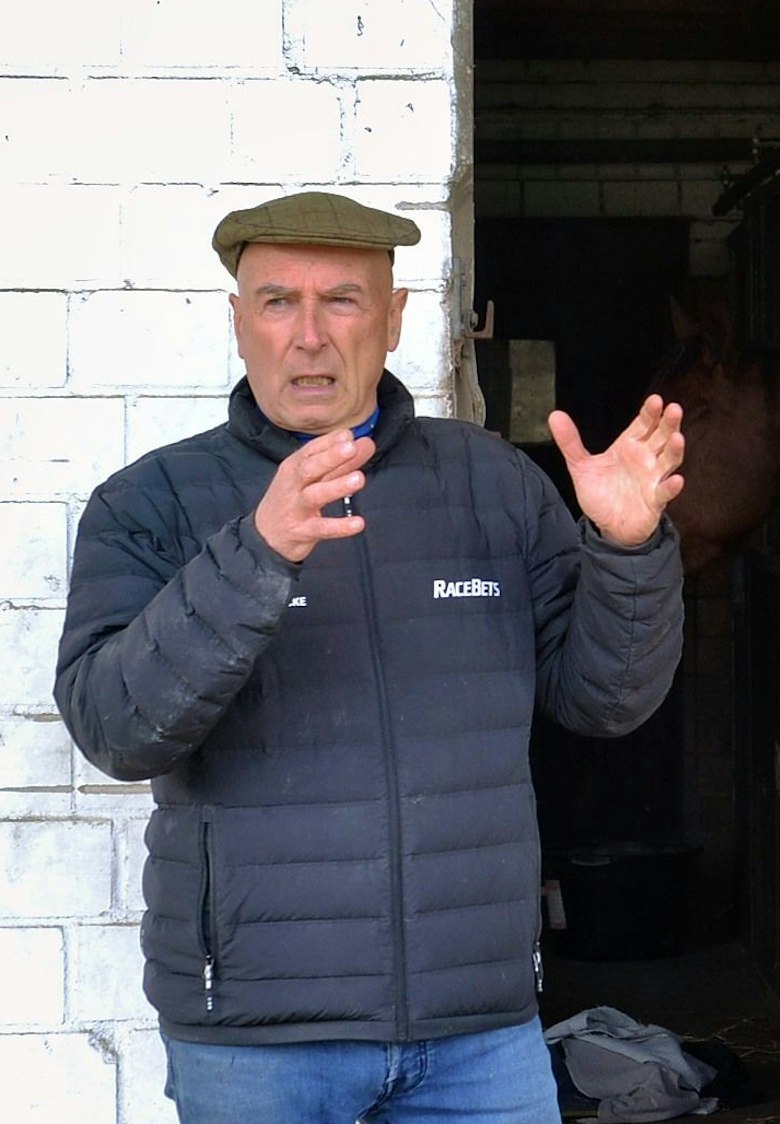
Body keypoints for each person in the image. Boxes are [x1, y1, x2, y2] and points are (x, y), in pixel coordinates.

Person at [53, 191, 687, 1123]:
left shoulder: (492, 486)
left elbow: (608, 701)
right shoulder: (151, 503)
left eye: (342, 300)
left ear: (393, 319)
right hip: (256, 1044)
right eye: (277, 302)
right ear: (238, 322)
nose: (308, 336)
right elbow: (116, 729)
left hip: (480, 1038)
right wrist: (257, 553)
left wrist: (627, 550)